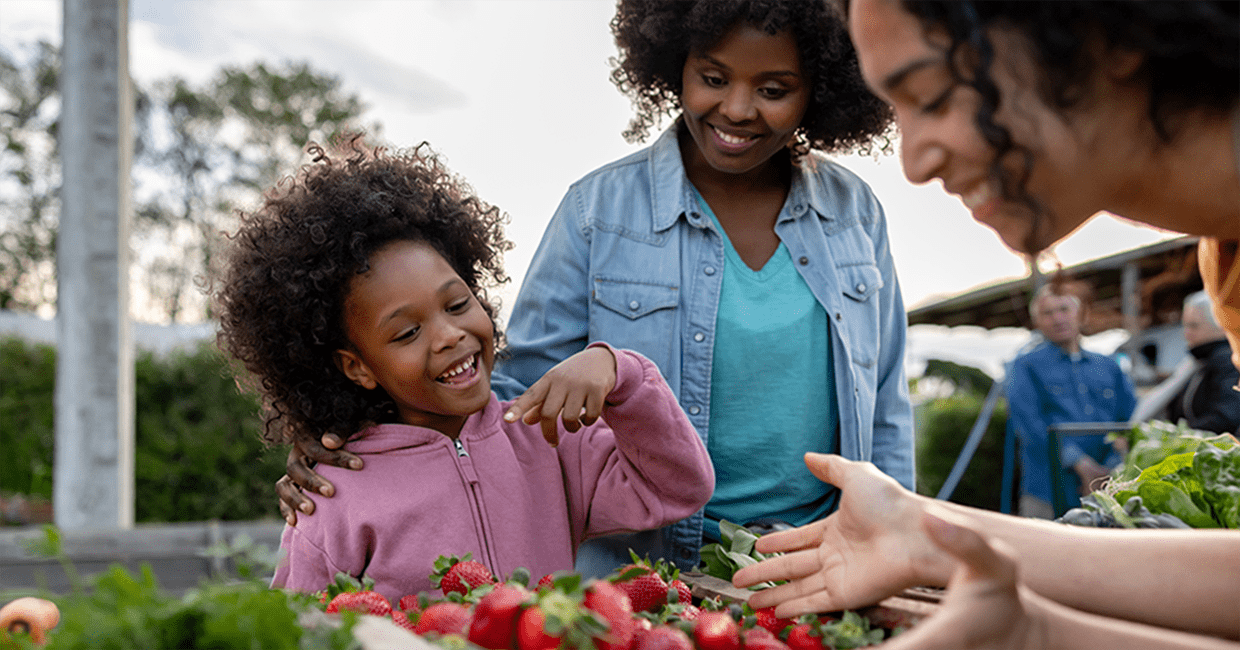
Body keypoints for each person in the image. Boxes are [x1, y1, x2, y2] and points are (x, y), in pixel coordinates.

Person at [276, 0, 915, 577]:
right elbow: (509, 397)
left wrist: (900, 538)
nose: (738, 108)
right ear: (675, 64)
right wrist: (346, 429)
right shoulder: (596, 211)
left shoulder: (855, 214)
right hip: (650, 564)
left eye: (774, 89)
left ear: (821, 91)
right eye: (713, 78)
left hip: (821, 555)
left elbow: (884, 404)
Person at [733, 0, 1239, 648]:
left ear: (1104, 34)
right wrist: (938, 550)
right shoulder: (1224, 261)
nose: (914, 162)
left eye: (935, 96)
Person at [211, 137, 714, 602]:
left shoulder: (548, 437)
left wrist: (619, 371)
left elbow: (678, 488)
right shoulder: (333, 497)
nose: (450, 335)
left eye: (456, 304)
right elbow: (299, 629)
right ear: (357, 368)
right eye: (407, 333)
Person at [1006, 282, 1136, 518]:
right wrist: (1080, 464)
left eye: (1064, 310)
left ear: (1080, 314)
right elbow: (1030, 425)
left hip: (1108, 488)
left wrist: (1109, 467)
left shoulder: (1108, 367)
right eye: (1048, 313)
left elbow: (1130, 420)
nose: (1058, 319)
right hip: (1047, 491)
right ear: (1037, 322)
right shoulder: (1025, 366)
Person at [1163, 290, 1240, 434]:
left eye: (1194, 326)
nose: (1186, 334)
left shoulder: (1227, 361)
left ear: (1220, 326)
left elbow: (1227, 416)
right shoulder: (1200, 361)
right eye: (1184, 326)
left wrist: (1182, 437)